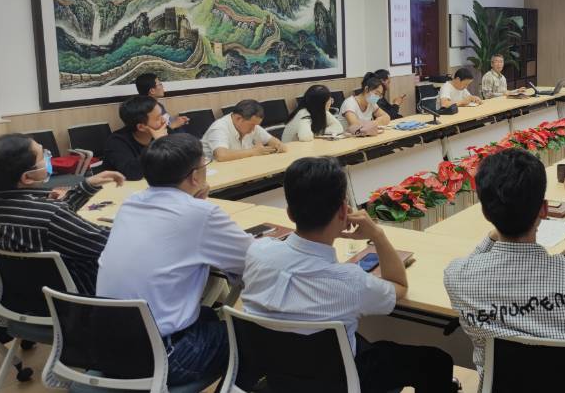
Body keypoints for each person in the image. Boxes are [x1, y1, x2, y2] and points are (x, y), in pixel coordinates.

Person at [241, 157, 457, 393]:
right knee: (435, 361)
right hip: (342, 381)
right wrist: (377, 235)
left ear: (290, 213)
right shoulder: (349, 281)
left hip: (281, 375)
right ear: (344, 211)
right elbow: (399, 286)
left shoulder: (257, 253)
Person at [444, 148, 565, 380]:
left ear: (484, 213)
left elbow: (470, 263)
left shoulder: (456, 277)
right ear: (544, 210)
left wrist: (493, 235)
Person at [97, 134, 253, 387]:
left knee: (208, 316)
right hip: (163, 358)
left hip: (105, 350)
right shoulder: (201, 214)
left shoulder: (131, 203)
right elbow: (253, 260)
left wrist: (195, 204)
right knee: (254, 336)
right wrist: (199, 207)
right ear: (195, 176)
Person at [0, 134, 123, 294]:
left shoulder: (32, 211)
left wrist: (87, 186)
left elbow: (49, 221)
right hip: (77, 296)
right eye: (43, 155)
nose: (48, 157)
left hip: (22, 295)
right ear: (27, 177)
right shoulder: (51, 215)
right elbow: (110, 243)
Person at [101, 95, 168, 180]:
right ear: (141, 127)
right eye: (158, 118)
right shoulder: (116, 142)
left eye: (162, 115)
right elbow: (133, 173)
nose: (164, 120)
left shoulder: (163, 129)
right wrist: (157, 143)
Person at [202, 99, 286, 161]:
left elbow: (271, 140)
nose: (254, 129)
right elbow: (221, 155)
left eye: (256, 125)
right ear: (238, 118)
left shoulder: (252, 124)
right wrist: (253, 152)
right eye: (252, 125)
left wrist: (278, 145)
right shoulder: (219, 128)